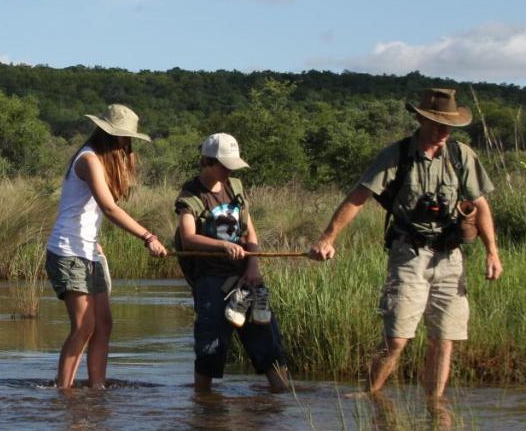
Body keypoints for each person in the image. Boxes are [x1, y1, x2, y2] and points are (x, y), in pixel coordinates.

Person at [308, 88, 503, 399]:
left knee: (444, 338)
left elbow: (480, 204)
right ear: (421, 120)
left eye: (449, 126)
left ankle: (434, 406)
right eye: (438, 125)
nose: (444, 132)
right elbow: (359, 196)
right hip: (409, 253)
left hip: (450, 256)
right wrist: (327, 237)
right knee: (397, 336)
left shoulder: (461, 155)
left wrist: (492, 252)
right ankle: (369, 394)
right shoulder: (396, 155)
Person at [46, 104, 168, 389]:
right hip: (67, 251)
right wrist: (148, 237)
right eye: (125, 138)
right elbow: (109, 208)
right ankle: (64, 392)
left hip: (89, 252)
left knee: (103, 324)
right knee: (84, 326)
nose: (127, 145)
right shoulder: (89, 159)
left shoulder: (99, 160)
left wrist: (95, 243)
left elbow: (85, 210)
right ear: (111, 135)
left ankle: (97, 388)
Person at [174, 133, 288, 394]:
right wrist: (223, 246)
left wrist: (253, 265)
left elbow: (250, 233)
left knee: (266, 339)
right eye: (225, 166)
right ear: (208, 162)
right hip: (212, 282)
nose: (229, 171)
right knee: (211, 346)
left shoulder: (235, 187)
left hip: (246, 277)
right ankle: (203, 402)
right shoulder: (190, 196)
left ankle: (281, 397)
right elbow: (188, 238)